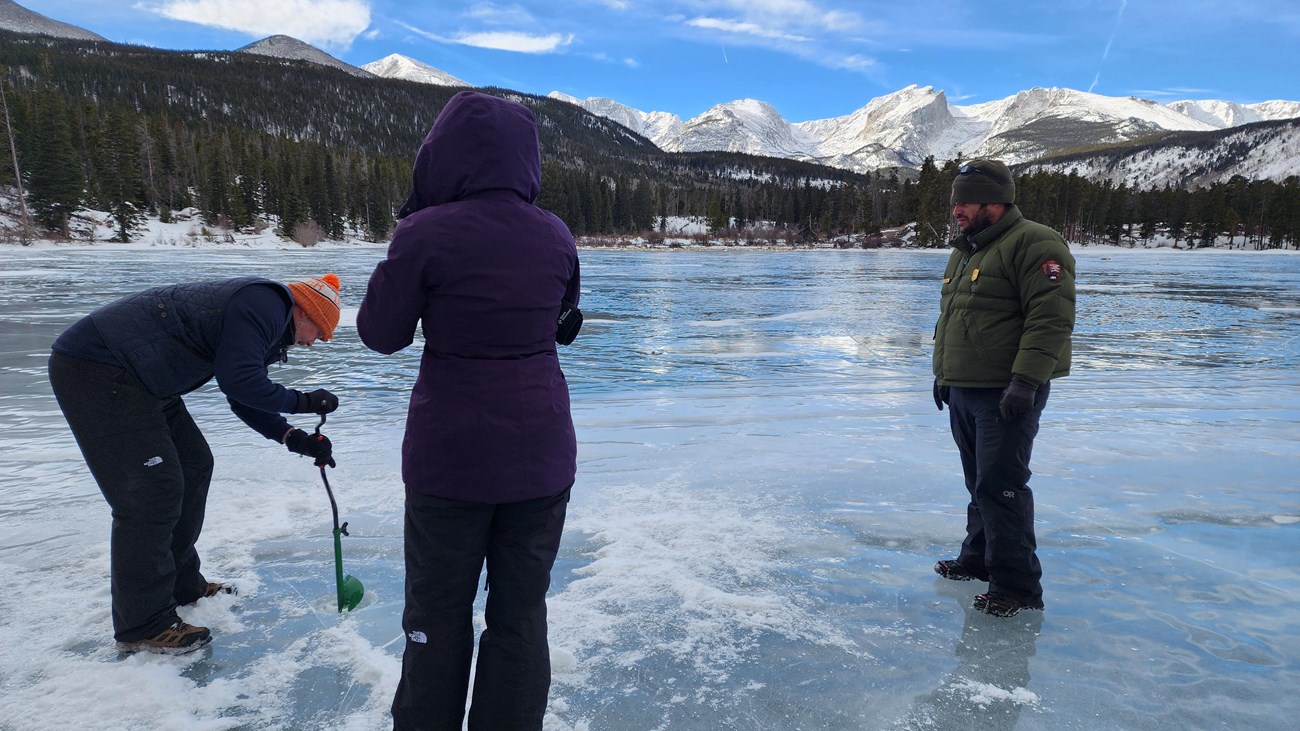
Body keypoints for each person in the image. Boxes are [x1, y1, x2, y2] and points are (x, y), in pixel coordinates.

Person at [357, 90, 580, 731]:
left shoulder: (426, 231)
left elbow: (381, 333)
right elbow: (563, 319)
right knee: (520, 614)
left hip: (449, 461)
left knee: (436, 615)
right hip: (541, 458)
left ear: (440, 155)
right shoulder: (556, 233)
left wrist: (403, 247)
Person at [48, 273, 343, 653]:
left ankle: (183, 585)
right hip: (100, 370)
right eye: (319, 332)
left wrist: (293, 437)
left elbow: (243, 395)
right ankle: (143, 623)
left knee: (194, 464)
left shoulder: (267, 317)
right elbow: (239, 381)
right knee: (151, 493)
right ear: (306, 312)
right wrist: (304, 401)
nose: (313, 343)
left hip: (146, 378)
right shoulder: (264, 305)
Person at [931, 159, 1076, 618]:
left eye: (965, 201)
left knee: (1002, 486)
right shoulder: (966, 249)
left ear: (995, 202)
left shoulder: (1035, 242)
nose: (956, 210)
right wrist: (944, 374)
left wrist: (1026, 382)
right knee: (979, 483)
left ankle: (1016, 587)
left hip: (1007, 391)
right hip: (965, 387)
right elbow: (954, 318)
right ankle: (976, 559)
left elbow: (1050, 320)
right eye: (954, 201)